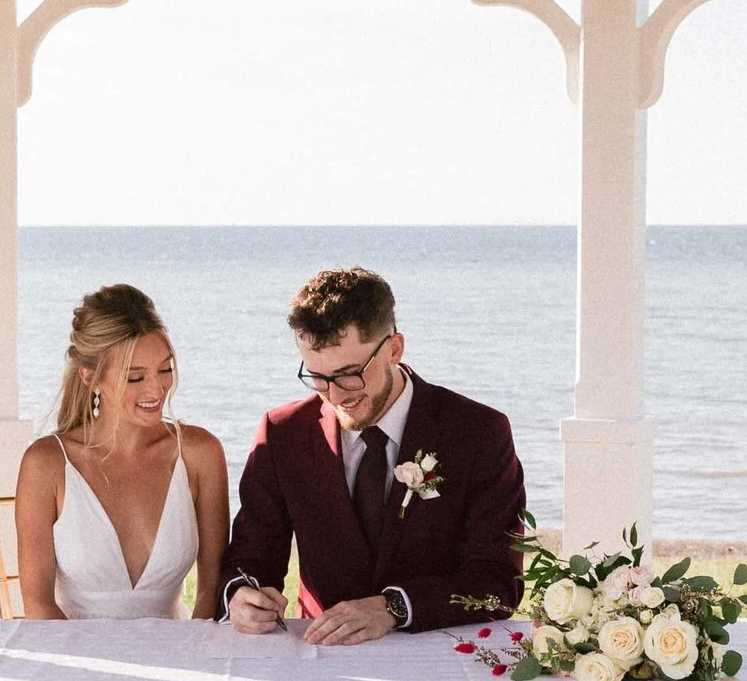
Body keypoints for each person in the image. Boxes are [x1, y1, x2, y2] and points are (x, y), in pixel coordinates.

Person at [224, 268, 526, 645]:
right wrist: (241, 594)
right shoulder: (283, 433)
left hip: (439, 653)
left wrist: (394, 607)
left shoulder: (478, 432)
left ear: (394, 349)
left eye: (350, 374)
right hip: (321, 655)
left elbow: (497, 583)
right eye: (318, 377)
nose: (335, 396)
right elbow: (250, 557)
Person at [13, 286, 229, 620]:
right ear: (91, 377)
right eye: (135, 377)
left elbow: (212, 587)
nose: (156, 390)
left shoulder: (200, 454)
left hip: (183, 654)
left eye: (165, 369)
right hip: (75, 657)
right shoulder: (47, 464)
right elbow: (39, 605)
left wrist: (194, 653)